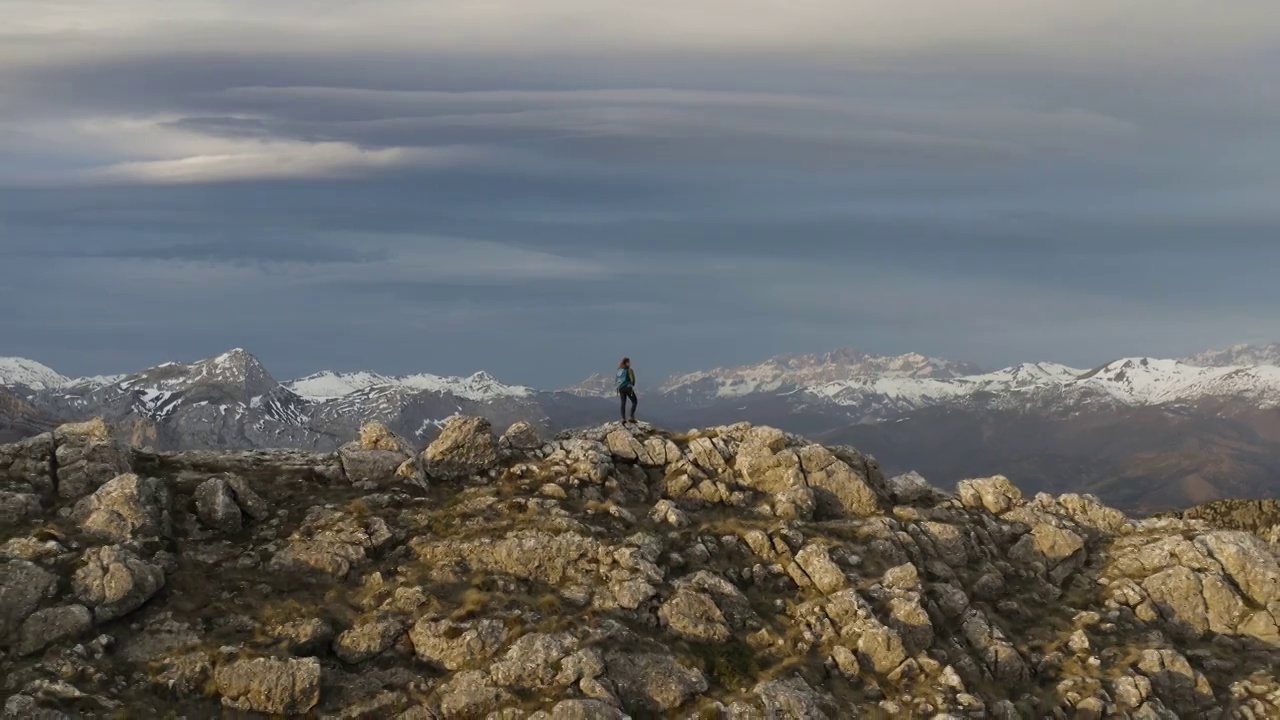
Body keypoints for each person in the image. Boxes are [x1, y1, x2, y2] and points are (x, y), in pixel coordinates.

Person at [616, 357, 637, 423]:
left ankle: (623, 418)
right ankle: (631, 416)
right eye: (629, 362)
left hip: (621, 388)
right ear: (626, 363)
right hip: (628, 387)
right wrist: (632, 384)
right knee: (634, 401)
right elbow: (632, 379)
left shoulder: (619, 370)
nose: (630, 363)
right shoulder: (629, 370)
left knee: (623, 403)